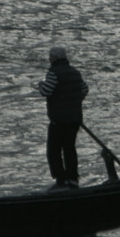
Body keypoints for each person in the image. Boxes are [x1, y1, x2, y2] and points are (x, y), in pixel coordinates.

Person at [36, 45, 89, 187]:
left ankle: (60, 179)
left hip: (59, 119)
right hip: (74, 118)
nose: (49, 59)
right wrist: (74, 101)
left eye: (50, 56)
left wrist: (40, 85)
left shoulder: (54, 73)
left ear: (54, 58)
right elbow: (84, 89)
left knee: (53, 150)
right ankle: (72, 178)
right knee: (69, 148)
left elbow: (46, 91)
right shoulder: (75, 72)